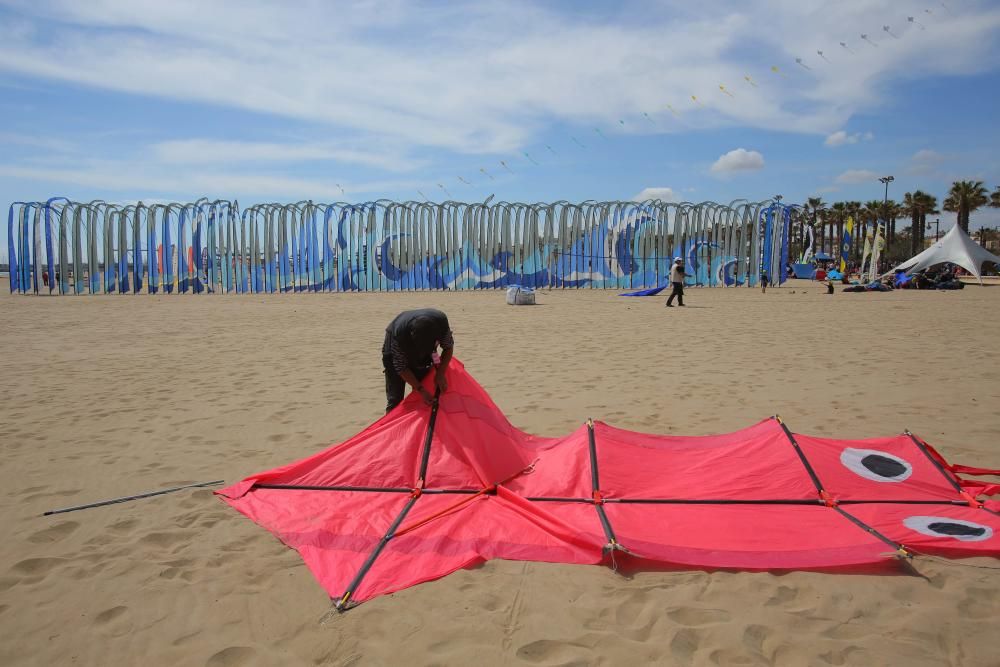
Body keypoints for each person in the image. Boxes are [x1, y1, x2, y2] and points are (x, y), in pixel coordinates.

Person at [382, 308, 454, 413]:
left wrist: (440, 373)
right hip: (394, 344)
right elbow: (401, 367)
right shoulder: (399, 338)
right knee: (395, 400)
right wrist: (421, 389)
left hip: (428, 348)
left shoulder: (441, 325)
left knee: (425, 393)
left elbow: (448, 347)